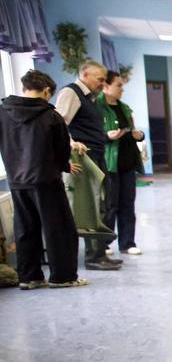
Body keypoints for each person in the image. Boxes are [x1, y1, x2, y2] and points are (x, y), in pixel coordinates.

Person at [0, 69, 86, 289]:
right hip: (46, 180)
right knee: (59, 228)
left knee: (25, 228)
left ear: (24, 88)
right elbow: (61, 152)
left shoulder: (3, 112)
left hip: (16, 181)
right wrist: (64, 166)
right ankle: (63, 276)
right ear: (47, 91)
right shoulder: (51, 116)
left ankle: (29, 277)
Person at [54, 59, 119, 271]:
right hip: (84, 158)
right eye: (99, 79)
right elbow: (59, 124)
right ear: (84, 74)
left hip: (96, 155)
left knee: (103, 204)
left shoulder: (90, 98)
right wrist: (71, 144)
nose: (102, 83)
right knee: (92, 207)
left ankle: (100, 253)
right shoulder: (71, 93)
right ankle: (93, 257)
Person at [95, 70, 145, 255]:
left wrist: (139, 135)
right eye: (118, 85)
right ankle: (104, 243)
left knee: (128, 205)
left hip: (128, 162)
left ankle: (127, 243)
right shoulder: (97, 107)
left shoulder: (124, 108)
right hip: (110, 164)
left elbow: (132, 130)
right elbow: (93, 136)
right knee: (110, 205)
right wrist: (107, 136)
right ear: (106, 86)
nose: (122, 89)